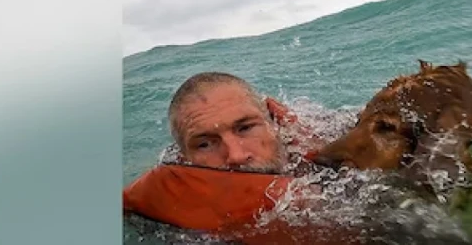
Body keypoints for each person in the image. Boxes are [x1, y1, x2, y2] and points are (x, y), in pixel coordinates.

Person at [122, 72, 329, 244]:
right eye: (205, 144)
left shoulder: (328, 146)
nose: (235, 156)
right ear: (184, 158)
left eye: (245, 128)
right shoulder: (169, 221)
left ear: (275, 123)